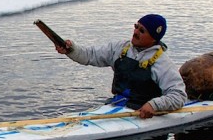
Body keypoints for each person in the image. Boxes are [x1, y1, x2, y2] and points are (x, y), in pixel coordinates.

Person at [56, 14, 187, 119]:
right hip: (116, 106)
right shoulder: (121, 48)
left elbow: (179, 95)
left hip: (142, 114)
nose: (136, 32)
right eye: (136, 26)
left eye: (142, 31)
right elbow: (90, 55)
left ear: (153, 38)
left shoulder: (163, 63)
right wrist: (70, 49)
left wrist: (154, 105)